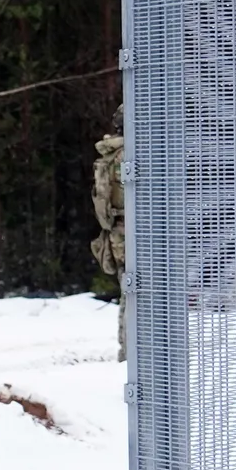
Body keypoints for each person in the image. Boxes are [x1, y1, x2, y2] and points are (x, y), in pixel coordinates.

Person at [90, 104, 126, 362]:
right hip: (135, 235)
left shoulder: (110, 153)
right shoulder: (128, 155)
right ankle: (134, 357)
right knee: (141, 297)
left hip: (117, 233)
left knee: (129, 292)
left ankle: (128, 353)